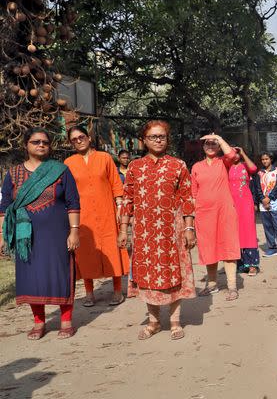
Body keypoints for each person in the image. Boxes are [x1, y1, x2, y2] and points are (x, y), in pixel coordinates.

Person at [118, 120, 196, 340]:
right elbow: (127, 200)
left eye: (162, 136)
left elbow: (187, 198)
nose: (158, 140)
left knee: (173, 273)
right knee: (148, 275)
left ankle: (174, 321)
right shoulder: (134, 166)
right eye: (153, 137)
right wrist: (124, 230)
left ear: (167, 139)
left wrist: (189, 228)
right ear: (144, 140)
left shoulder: (178, 165)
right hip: (144, 232)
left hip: (172, 230)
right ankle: (153, 322)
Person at [0, 128, 80, 340]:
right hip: (25, 237)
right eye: (36, 142)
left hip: (57, 234)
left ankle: (66, 321)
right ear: (26, 145)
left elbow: (73, 202)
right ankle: (39, 323)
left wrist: (74, 232)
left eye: (45, 142)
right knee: (32, 277)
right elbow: (5, 206)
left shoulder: (60, 170)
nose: (41, 145)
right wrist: (2, 235)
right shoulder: (14, 173)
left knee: (61, 274)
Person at [64, 125, 130, 306]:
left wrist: (119, 207)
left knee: (112, 248)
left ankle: (117, 290)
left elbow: (116, 184)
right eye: (74, 139)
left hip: (107, 211)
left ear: (89, 137)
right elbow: (67, 192)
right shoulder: (69, 163)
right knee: (85, 252)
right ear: (71, 143)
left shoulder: (105, 158)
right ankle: (89, 292)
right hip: (82, 216)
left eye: (81, 137)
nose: (78, 141)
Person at [190, 136, 240, 300]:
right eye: (207, 143)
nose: (210, 146)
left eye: (214, 144)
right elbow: (193, 193)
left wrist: (219, 138)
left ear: (219, 147)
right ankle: (212, 284)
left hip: (225, 211)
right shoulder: (196, 167)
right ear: (202, 147)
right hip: (204, 213)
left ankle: (232, 286)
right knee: (208, 247)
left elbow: (232, 155)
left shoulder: (223, 162)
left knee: (228, 246)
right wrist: (193, 214)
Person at [221, 141, 260, 276]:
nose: (235, 155)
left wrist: (243, 152)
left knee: (248, 232)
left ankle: (252, 265)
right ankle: (236, 263)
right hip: (231, 204)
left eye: (237, 153)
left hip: (246, 204)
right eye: (233, 153)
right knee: (233, 233)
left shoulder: (245, 166)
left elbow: (254, 169)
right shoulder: (225, 166)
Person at [255, 152, 277, 256]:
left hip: (275, 203)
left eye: (266, 159)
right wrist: (263, 199)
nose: (264, 161)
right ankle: (272, 248)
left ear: (271, 159)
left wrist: (269, 198)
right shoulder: (259, 173)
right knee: (267, 227)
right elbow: (258, 188)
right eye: (263, 159)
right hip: (263, 204)